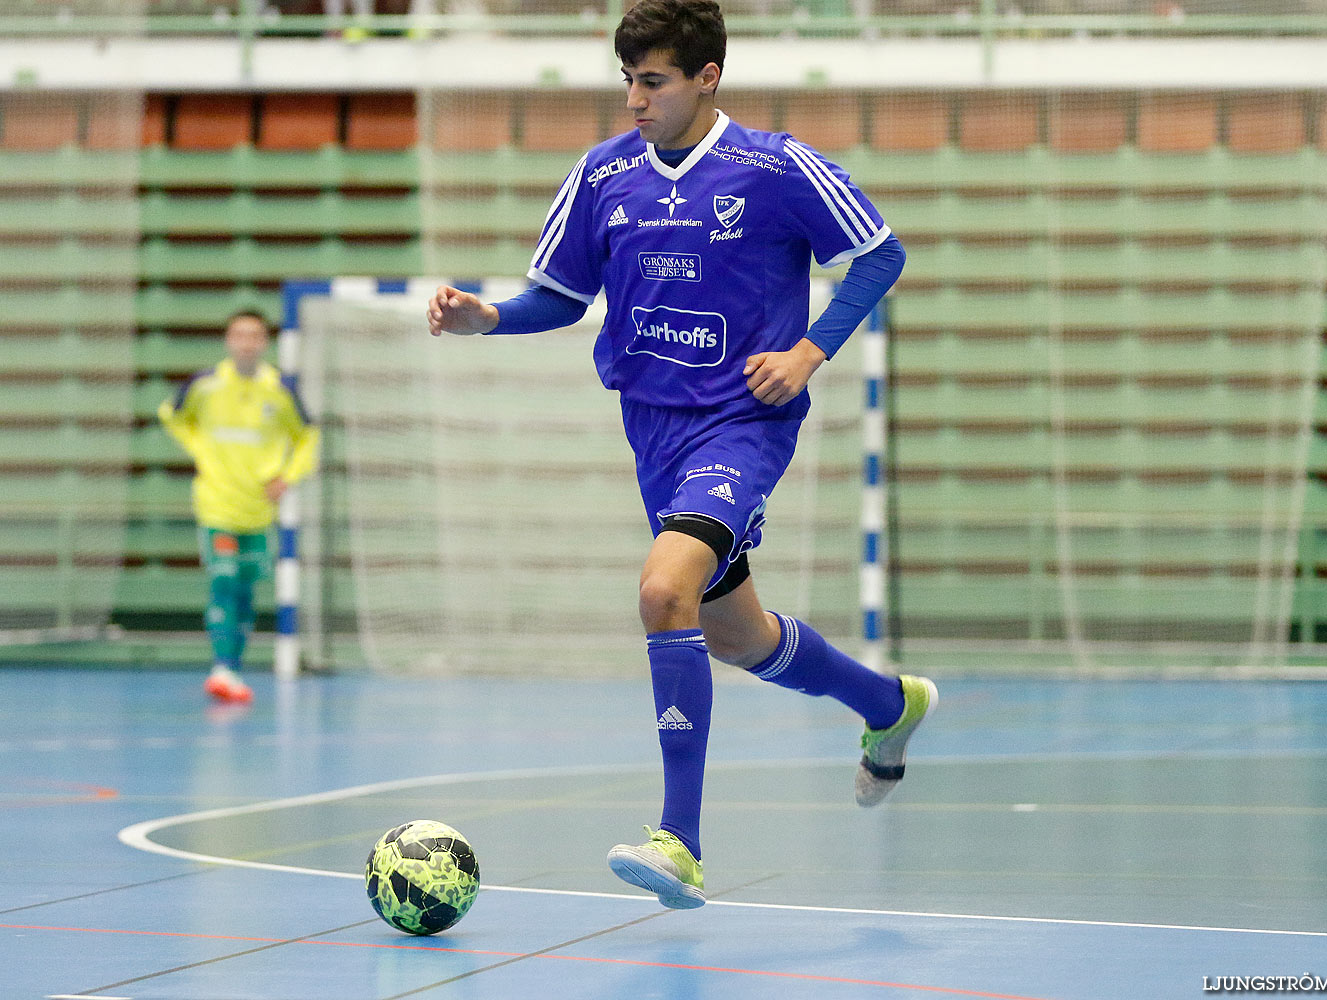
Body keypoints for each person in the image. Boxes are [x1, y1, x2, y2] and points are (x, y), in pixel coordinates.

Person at [426, 0, 935, 910]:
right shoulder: (601, 175)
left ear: (707, 78)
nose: (634, 100)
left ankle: (680, 844)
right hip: (652, 432)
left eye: (652, 80)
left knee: (664, 592)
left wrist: (810, 351)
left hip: (741, 425)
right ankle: (888, 705)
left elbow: (879, 253)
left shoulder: (774, 166)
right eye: (626, 80)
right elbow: (562, 297)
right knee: (739, 636)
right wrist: (491, 317)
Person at [158, 311, 320, 705]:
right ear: (228, 340)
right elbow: (171, 415)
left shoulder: (280, 389)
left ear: (265, 342)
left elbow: (308, 435)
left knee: (246, 590)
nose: (246, 342)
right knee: (224, 579)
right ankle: (222, 667)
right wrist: (200, 450)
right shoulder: (205, 384)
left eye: (254, 335)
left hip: (257, 510)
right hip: (216, 504)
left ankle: (232, 668)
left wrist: (289, 476)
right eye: (239, 335)